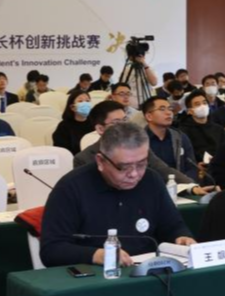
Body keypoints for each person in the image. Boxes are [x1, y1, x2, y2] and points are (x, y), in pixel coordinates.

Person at [39, 122, 197, 268]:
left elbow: (172, 226)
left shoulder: (151, 180)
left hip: (147, 270)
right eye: (124, 167)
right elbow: (51, 250)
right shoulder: (71, 187)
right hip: (97, 276)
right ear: (101, 161)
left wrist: (181, 237)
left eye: (141, 164)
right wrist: (97, 255)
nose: (134, 174)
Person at [72, 101, 201, 187]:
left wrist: (191, 186)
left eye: (125, 120)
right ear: (100, 129)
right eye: (117, 122)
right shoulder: (83, 158)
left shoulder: (139, 148)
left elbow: (163, 170)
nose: (123, 126)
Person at [141, 96, 199, 179]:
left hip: (182, 184)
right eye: (162, 109)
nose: (168, 113)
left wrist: (186, 183)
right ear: (149, 116)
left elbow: (192, 167)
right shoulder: (139, 140)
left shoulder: (180, 137)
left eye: (170, 109)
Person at [175, 90, 225, 165]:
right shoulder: (183, 132)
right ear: (190, 111)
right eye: (197, 104)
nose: (202, 106)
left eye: (204, 103)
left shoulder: (219, 129)